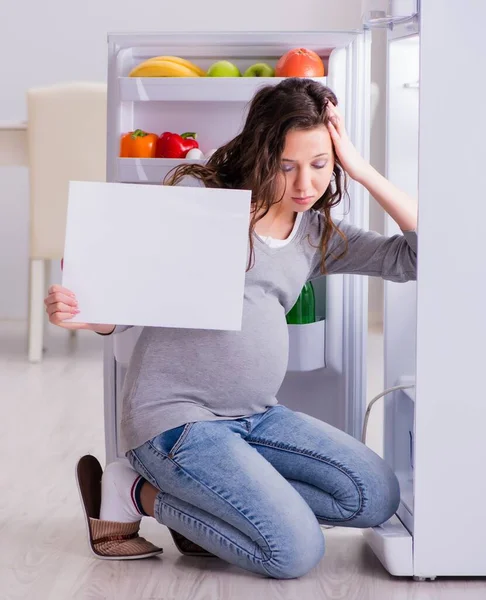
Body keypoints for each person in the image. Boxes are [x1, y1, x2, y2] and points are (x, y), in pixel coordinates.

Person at [45, 78, 417, 578]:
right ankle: (133, 491)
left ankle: (213, 508)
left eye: (320, 165)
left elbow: (418, 255)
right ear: (263, 155)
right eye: (287, 166)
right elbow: (131, 300)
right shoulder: (208, 206)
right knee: (294, 553)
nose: (305, 184)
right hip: (174, 419)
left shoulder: (315, 233)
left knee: (375, 493)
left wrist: (360, 166)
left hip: (257, 418)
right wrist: (89, 313)